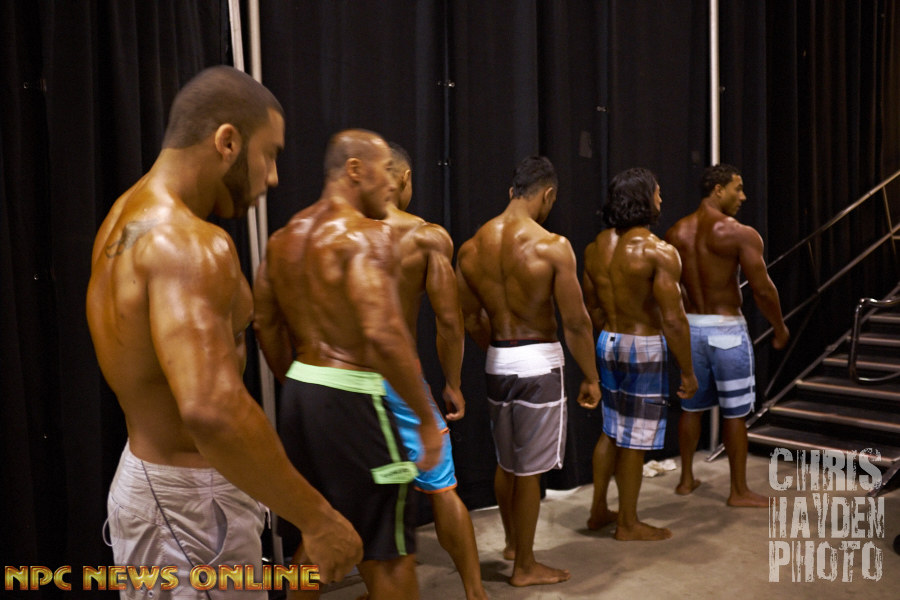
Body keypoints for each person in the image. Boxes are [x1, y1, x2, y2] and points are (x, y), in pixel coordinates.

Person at [85, 66, 362, 599]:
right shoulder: (190, 243)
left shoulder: (124, 217)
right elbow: (212, 409)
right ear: (228, 141)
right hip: (189, 508)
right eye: (269, 154)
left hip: (154, 489)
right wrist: (319, 519)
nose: (273, 177)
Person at [253, 129, 442, 599]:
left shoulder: (283, 238)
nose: (391, 185)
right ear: (355, 170)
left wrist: (298, 383)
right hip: (352, 396)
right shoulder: (366, 234)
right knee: (390, 551)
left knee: (322, 528)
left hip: (300, 393)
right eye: (384, 173)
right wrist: (424, 418)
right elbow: (383, 332)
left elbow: (265, 323)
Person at [456, 156, 601, 587]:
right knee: (529, 471)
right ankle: (525, 566)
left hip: (497, 360)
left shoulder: (472, 247)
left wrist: (501, 352)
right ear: (548, 195)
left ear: (511, 192)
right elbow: (576, 323)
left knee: (507, 463)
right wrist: (591, 376)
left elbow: (469, 318)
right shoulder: (551, 245)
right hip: (539, 365)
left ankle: (512, 544)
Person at [380, 143, 488, 600]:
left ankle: (378, 588)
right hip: (399, 378)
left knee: (362, 493)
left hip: (343, 380)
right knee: (442, 488)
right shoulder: (424, 237)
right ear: (404, 178)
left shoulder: (334, 232)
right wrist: (453, 384)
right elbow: (449, 321)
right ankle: (475, 592)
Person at [582, 168, 698, 541]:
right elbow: (674, 320)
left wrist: (610, 340)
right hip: (642, 345)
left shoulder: (596, 247)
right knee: (633, 439)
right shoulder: (658, 251)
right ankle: (628, 524)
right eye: (658, 193)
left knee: (610, 430)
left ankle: (599, 510)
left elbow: (592, 307)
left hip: (608, 340)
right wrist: (688, 371)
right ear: (644, 199)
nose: (661, 200)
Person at [665, 163, 789, 507]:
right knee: (735, 413)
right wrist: (779, 326)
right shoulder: (739, 233)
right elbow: (762, 289)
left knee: (691, 407)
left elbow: (670, 290)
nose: (743, 196)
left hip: (691, 329)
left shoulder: (675, 232)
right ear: (718, 190)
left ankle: (686, 480)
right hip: (726, 330)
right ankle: (739, 491)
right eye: (738, 188)